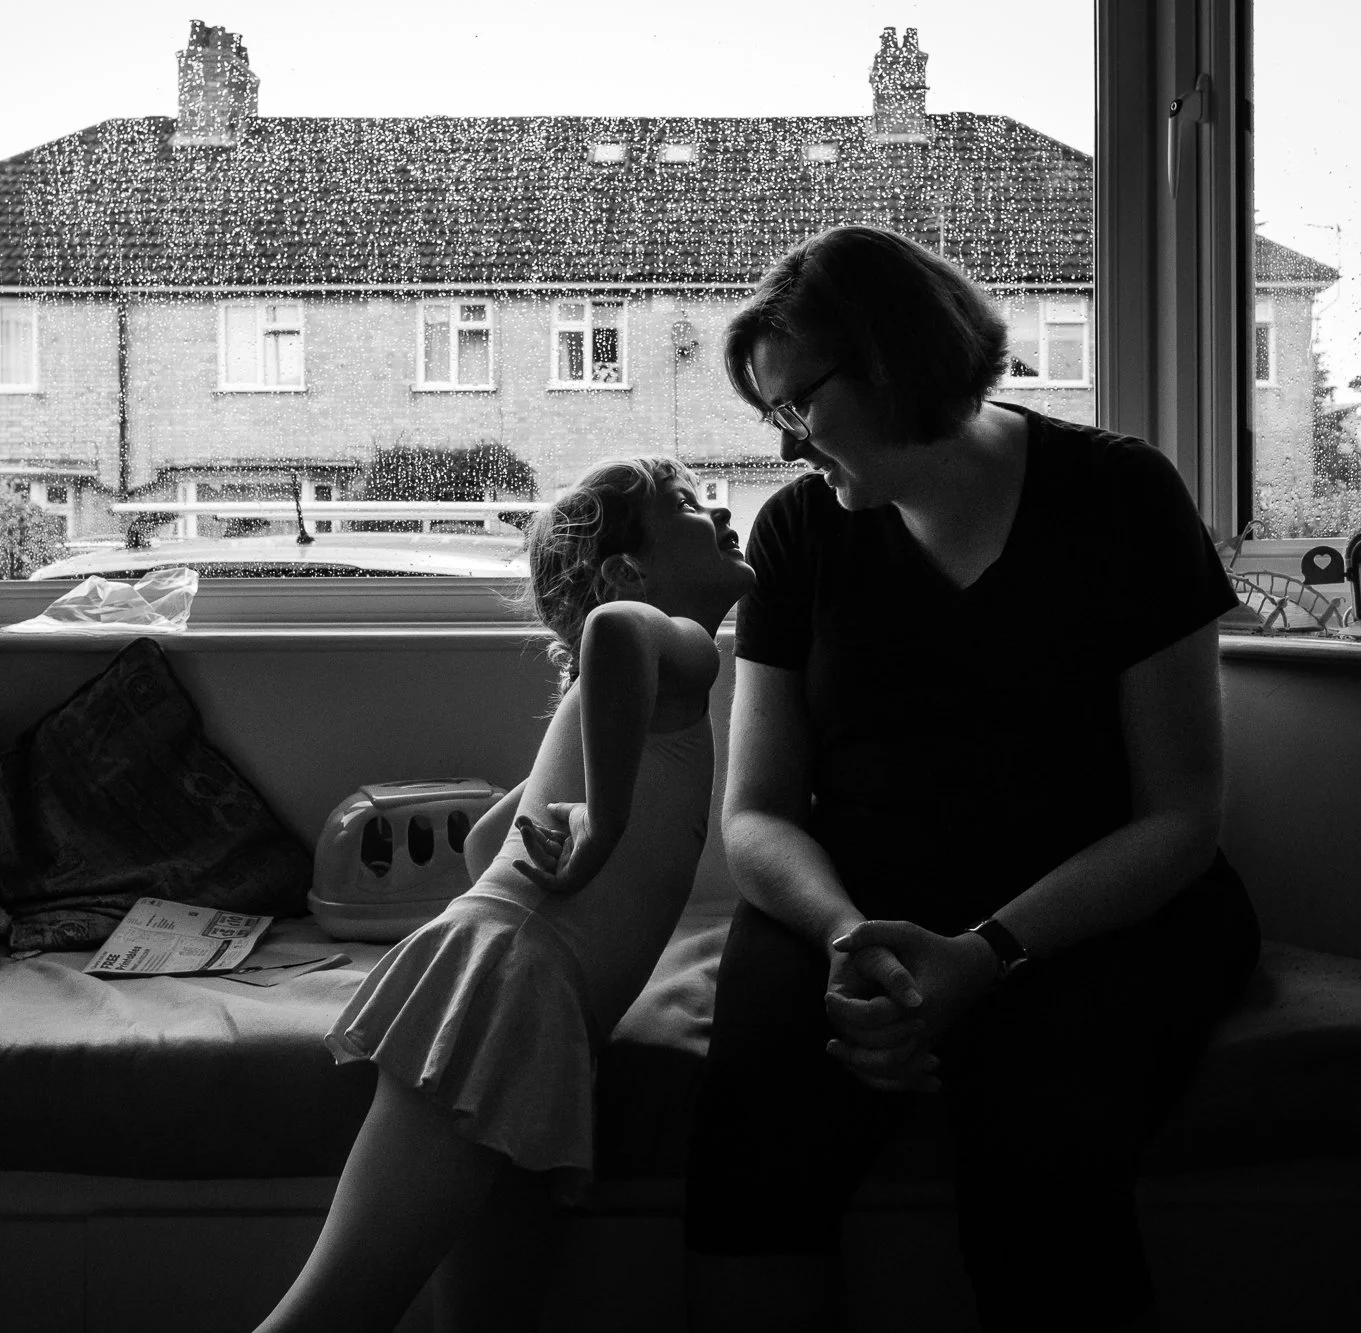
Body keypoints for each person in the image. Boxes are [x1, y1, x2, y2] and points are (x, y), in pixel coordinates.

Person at [681, 225, 1260, 1333]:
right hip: (850, 899)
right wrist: (847, 934)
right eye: (774, 420)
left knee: (1041, 1137)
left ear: (893, 360)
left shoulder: (1119, 494)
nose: (791, 445)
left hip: (1097, 911)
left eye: (798, 406)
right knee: (754, 1121)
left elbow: (1180, 816)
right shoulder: (800, 532)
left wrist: (985, 957)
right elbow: (755, 812)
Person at [255, 456, 757, 1333]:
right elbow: (613, 633)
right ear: (626, 571)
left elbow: (492, 838)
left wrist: (540, 850)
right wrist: (600, 824)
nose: (714, 504)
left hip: (537, 1004)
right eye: (682, 503)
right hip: (513, 986)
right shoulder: (678, 643)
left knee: (494, 1302)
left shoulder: (635, 696)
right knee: (341, 1305)